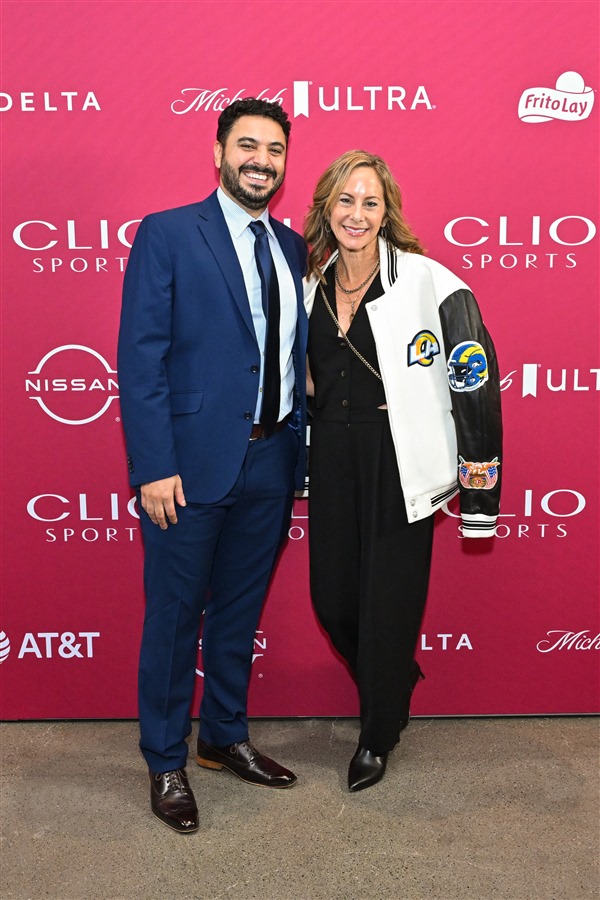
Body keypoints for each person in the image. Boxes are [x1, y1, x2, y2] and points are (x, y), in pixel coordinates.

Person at [117, 98, 308, 832]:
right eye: (248, 145)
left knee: (238, 611)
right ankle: (165, 758)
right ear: (220, 152)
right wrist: (153, 464)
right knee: (174, 618)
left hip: (273, 458)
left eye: (275, 150)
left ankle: (223, 736)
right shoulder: (168, 233)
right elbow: (142, 358)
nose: (261, 160)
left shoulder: (290, 247)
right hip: (187, 467)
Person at [303, 151, 502, 792]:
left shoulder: (430, 283)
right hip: (332, 457)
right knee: (332, 599)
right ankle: (394, 677)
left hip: (400, 461)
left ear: (387, 212)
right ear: (326, 208)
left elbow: (475, 387)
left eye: (370, 202)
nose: (356, 214)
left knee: (388, 603)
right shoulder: (309, 284)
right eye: (345, 200)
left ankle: (378, 731)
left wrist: (479, 497)